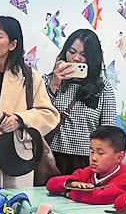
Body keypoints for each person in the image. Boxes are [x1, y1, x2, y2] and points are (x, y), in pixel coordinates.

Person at [0, 15, 59, 189]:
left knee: (17, 202)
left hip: (18, 156)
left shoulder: (29, 77)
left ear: (12, 45)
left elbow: (49, 114)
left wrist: (20, 119)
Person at [43, 29, 117, 175]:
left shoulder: (103, 89)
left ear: (93, 58)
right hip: (50, 157)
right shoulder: (48, 81)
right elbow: (41, 115)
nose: (76, 58)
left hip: (86, 162)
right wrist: (54, 84)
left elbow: (108, 132)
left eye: (84, 54)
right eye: (71, 52)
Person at [44, 126, 126, 205]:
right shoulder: (89, 172)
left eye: (100, 153)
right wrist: (72, 184)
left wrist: (68, 192)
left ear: (119, 157)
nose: (93, 158)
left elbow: (99, 197)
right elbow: (51, 183)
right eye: (92, 152)